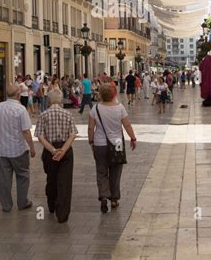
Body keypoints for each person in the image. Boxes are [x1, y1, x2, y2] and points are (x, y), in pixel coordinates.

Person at [88, 84, 136, 213]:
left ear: (101, 95)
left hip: (100, 144)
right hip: (117, 143)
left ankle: (103, 196)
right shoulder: (120, 108)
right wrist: (133, 138)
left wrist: (91, 141)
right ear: (114, 94)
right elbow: (127, 125)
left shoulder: (95, 109)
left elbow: (90, 128)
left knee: (101, 171)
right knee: (116, 171)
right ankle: (114, 199)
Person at [0, 83, 36, 213]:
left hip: (3, 150)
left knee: (4, 179)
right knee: (23, 176)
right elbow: (26, 131)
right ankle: (22, 202)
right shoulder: (20, 109)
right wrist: (32, 147)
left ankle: (6, 205)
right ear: (18, 95)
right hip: (18, 149)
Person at [35, 88, 78, 223]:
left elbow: (40, 136)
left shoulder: (43, 115)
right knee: (65, 182)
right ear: (60, 100)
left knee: (51, 179)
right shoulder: (68, 114)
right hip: (66, 150)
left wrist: (53, 150)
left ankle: (52, 204)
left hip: (50, 150)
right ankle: (62, 214)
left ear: (49, 99)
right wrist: (63, 150)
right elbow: (72, 134)